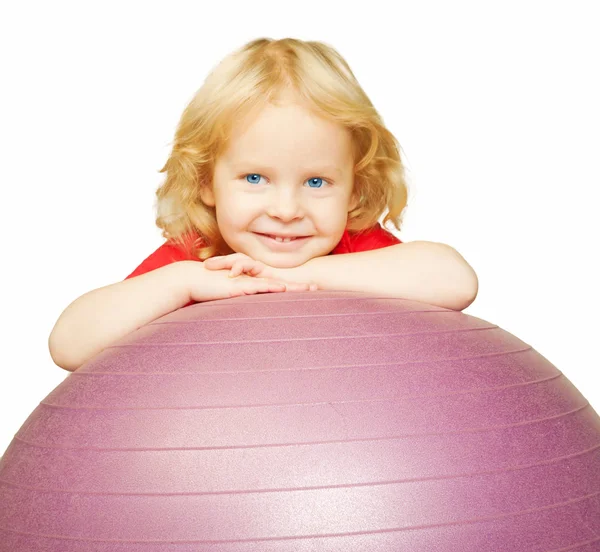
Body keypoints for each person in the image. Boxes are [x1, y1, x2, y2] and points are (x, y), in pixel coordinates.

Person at [48, 37, 478, 372]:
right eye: (255, 178)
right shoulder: (202, 260)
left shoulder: (354, 250)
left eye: (316, 181)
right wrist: (181, 282)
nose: (287, 209)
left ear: (354, 189)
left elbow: (455, 279)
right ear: (206, 182)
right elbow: (68, 344)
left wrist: (292, 274)